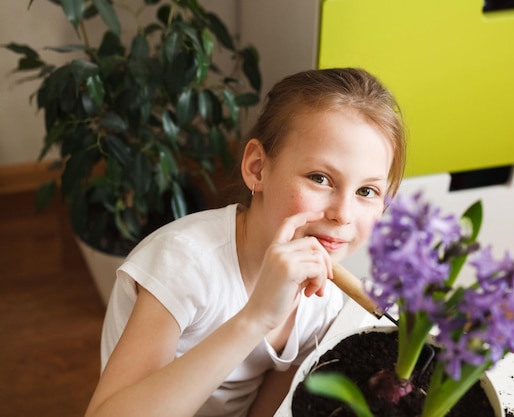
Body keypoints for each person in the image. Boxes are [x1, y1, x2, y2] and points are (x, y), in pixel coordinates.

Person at [84, 67, 407, 417]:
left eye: (367, 191)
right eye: (320, 178)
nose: (343, 214)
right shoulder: (183, 265)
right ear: (257, 168)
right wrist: (257, 317)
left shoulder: (323, 301)